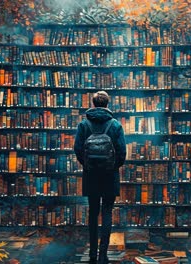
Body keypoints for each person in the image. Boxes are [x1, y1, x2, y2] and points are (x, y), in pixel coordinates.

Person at [74, 91, 126, 264]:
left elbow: (78, 150)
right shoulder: (115, 125)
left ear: (94, 104)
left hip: (91, 176)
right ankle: (103, 255)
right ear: (107, 104)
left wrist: (88, 166)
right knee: (107, 212)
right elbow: (122, 153)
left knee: (93, 212)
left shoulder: (83, 125)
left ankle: (92, 255)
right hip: (109, 176)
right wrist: (112, 167)